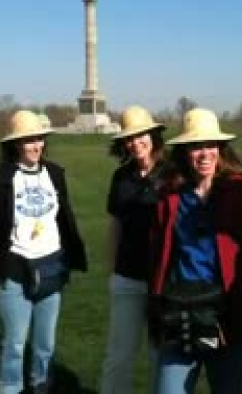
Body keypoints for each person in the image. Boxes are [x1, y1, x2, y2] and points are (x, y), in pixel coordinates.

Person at [149, 108, 242, 394]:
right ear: (184, 152)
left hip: (228, 319)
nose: (204, 154)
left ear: (220, 149)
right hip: (180, 314)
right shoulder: (170, 195)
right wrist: (156, 314)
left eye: (210, 145)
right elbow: (157, 260)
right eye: (196, 147)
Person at [0, 109, 87, 394]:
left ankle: (41, 387)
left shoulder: (55, 174)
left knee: (45, 343)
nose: (36, 146)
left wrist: (70, 256)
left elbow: (65, 217)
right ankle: (10, 388)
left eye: (39, 139)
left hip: (51, 269)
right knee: (13, 343)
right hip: (13, 271)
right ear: (15, 144)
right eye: (28, 141)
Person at [99, 105, 166, 394]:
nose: (136, 142)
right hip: (127, 277)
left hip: (163, 280)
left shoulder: (172, 173)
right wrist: (112, 271)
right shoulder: (121, 177)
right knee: (119, 355)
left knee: (160, 355)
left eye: (142, 136)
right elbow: (115, 226)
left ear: (153, 136)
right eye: (129, 138)